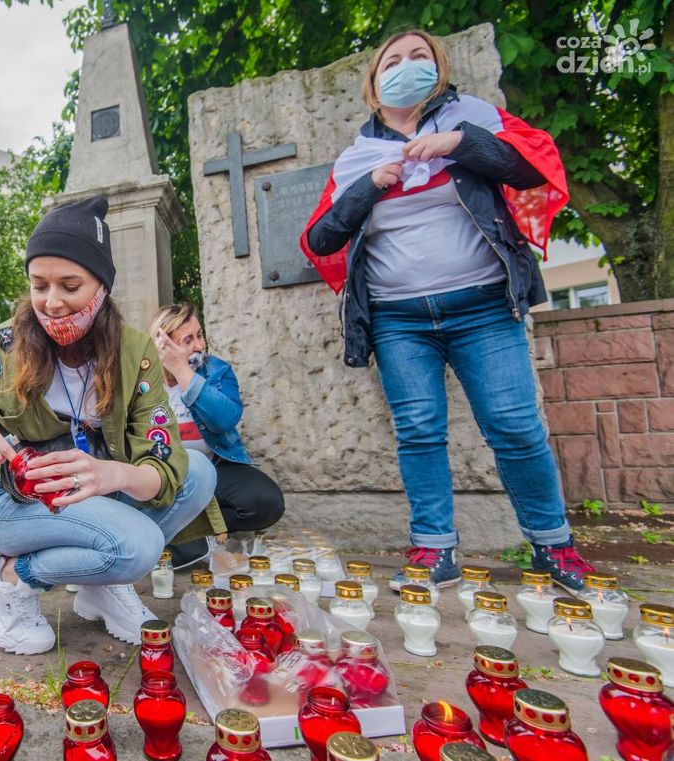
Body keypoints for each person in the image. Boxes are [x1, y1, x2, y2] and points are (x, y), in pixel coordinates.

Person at [300, 29, 594, 593]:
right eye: (393, 60)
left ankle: (554, 545)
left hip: (483, 306)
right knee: (418, 431)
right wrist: (369, 187)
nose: (406, 66)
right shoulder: (357, 156)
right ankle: (434, 549)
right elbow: (320, 236)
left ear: (438, 70)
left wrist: (459, 143)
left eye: (420, 57)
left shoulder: (472, 119)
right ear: (374, 83)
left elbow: (532, 168)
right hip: (398, 318)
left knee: (514, 426)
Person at [0, 195, 222, 654]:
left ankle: (101, 585)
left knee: (200, 474)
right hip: (20, 504)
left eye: (70, 285)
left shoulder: (135, 351)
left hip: (98, 490)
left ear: (102, 286)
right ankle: (9, 580)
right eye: (39, 285)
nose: (52, 303)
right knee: (137, 548)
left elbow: (164, 457)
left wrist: (117, 473)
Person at [148, 303, 285, 568]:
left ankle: (186, 537)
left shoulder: (216, 371)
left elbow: (224, 420)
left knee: (265, 502)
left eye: (200, 335)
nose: (199, 345)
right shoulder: (142, 379)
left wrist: (183, 372)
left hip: (214, 468)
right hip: (163, 476)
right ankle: (177, 541)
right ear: (163, 346)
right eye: (188, 340)